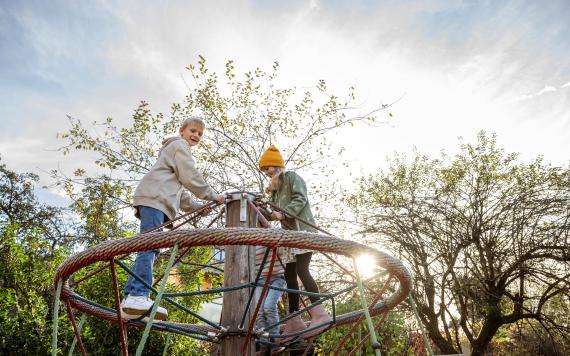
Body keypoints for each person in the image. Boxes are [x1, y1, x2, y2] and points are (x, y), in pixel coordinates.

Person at [120, 117, 224, 320]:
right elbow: (190, 175)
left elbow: (180, 191)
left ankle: (131, 300)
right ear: (182, 131)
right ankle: (138, 295)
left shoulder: (175, 151)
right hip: (154, 200)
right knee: (149, 246)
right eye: (193, 131)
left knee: (150, 247)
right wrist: (211, 195)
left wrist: (196, 207)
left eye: (200, 134)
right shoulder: (179, 145)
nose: (196, 136)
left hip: (157, 199)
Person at [258, 144, 331, 340]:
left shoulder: (292, 178)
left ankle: (319, 313)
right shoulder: (273, 191)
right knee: (290, 276)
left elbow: (300, 199)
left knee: (302, 270)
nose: (266, 172)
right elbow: (272, 214)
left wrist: (282, 213)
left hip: (302, 231)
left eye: (268, 168)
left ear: (277, 165)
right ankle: (293, 320)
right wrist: (260, 209)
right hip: (288, 237)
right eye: (263, 170)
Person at [254, 246, 286, 355]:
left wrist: (269, 230)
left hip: (277, 278)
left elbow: (282, 251)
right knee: (259, 311)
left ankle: (275, 342)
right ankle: (264, 346)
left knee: (269, 307)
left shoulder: (271, 235)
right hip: (261, 279)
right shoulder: (251, 243)